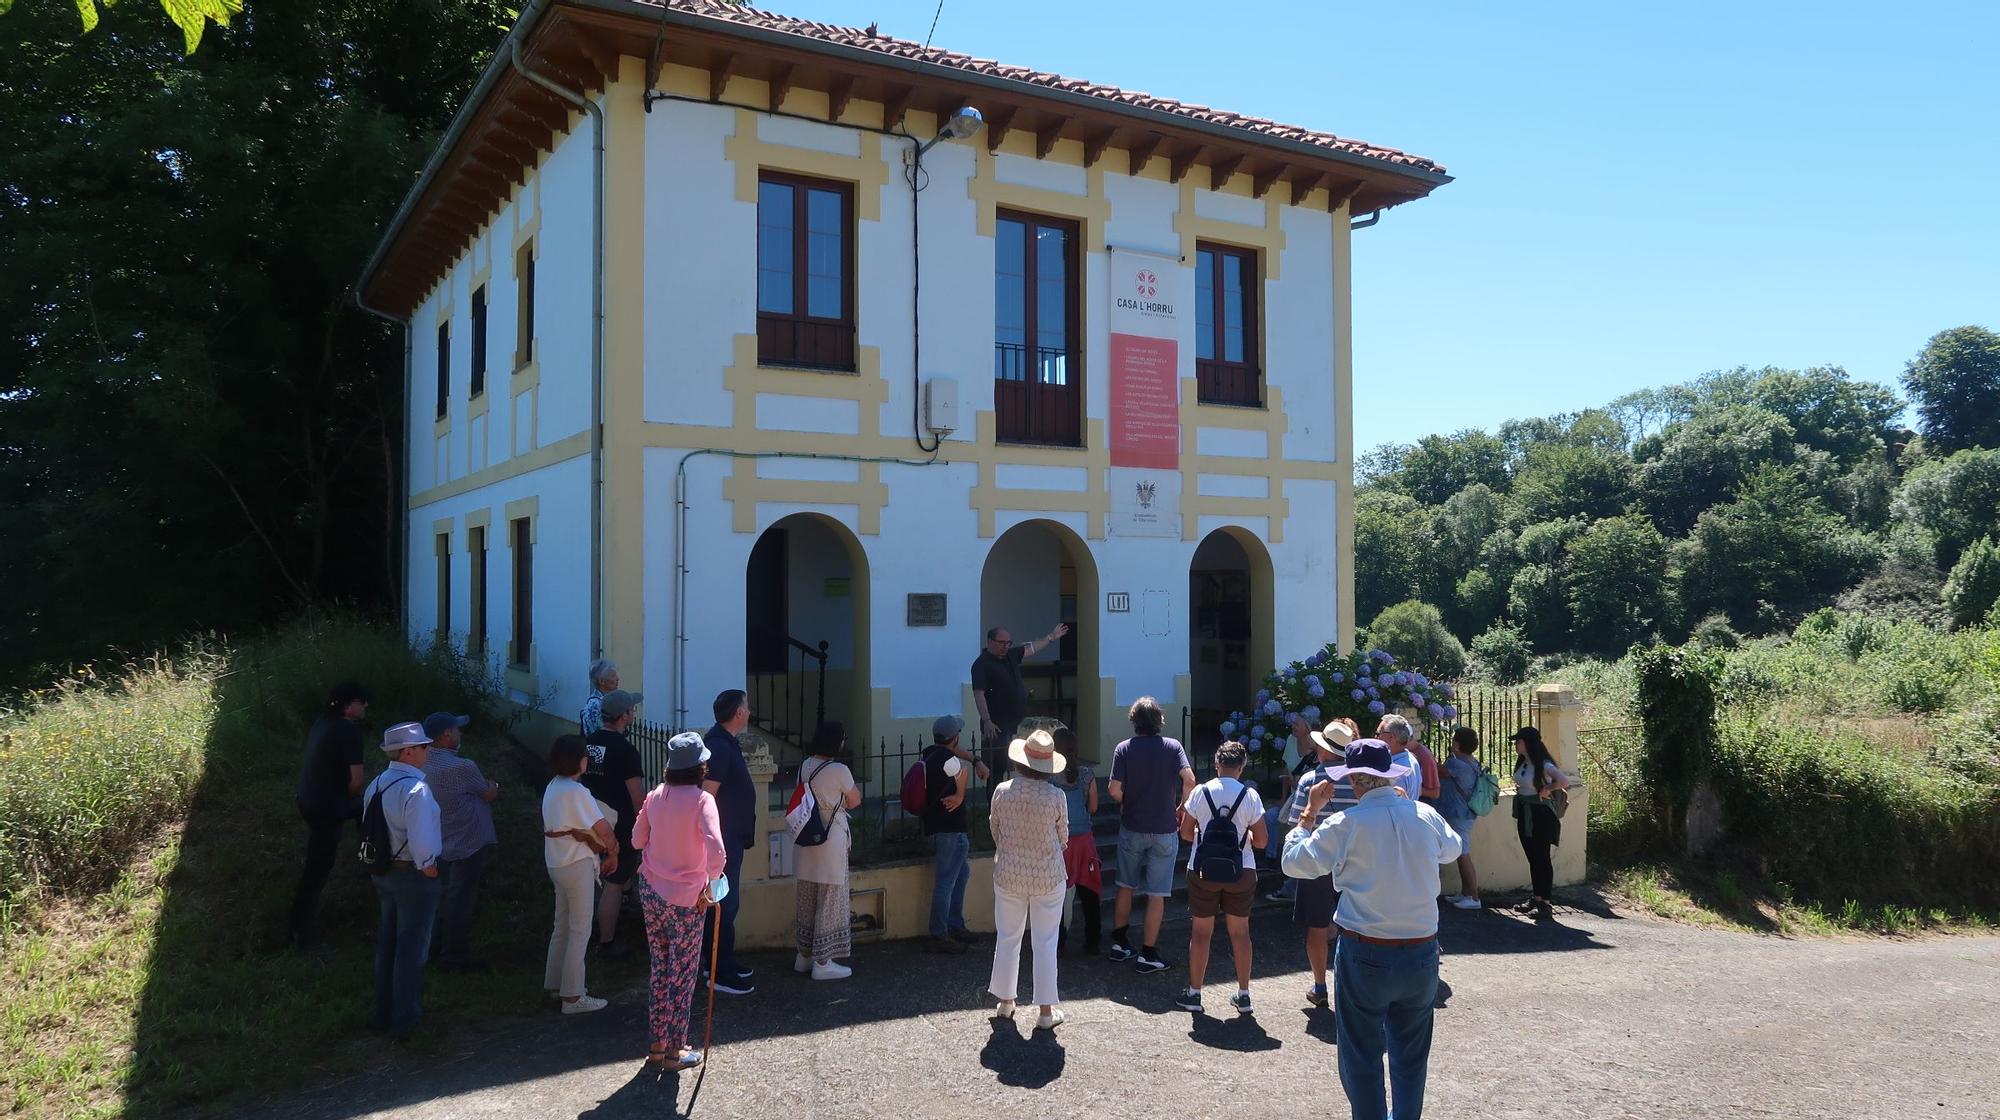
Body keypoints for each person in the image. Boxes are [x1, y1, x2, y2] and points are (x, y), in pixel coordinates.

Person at [1283, 737, 1463, 1120]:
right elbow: (1452, 848)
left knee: (1361, 1054)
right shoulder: (1423, 815)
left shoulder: (1344, 823)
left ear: (1355, 780)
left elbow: (1295, 863)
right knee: (1411, 1056)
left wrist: (1306, 817)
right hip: (1420, 949)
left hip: (1366, 950)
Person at [632, 732, 727, 1072]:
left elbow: (637, 838)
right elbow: (717, 852)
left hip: (652, 889)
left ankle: (657, 1046)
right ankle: (675, 1051)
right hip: (688, 898)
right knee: (683, 973)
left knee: (660, 967)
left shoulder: (655, 796)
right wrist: (712, 886)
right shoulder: (703, 801)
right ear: (699, 766)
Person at [986, 729, 1071, 1030]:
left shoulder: (1002, 790)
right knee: (1045, 942)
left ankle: (1005, 1002)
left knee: (1008, 936)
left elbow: (995, 830)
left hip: (1009, 872)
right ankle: (1046, 1012)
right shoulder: (1056, 796)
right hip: (1047, 875)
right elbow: (1063, 838)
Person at [1174, 741, 1267, 1015]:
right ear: (1241, 767)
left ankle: (1194, 993)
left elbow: (1186, 833)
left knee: (1201, 932)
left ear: (1216, 765)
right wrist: (1245, 836)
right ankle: (1244, 994)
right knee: (1240, 932)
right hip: (1242, 870)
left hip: (1203, 870)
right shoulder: (1250, 796)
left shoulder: (1201, 793)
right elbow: (1261, 842)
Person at [364, 722, 444, 1038]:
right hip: (412, 874)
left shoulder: (378, 783)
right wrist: (429, 868)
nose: (428, 751)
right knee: (412, 949)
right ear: (409, 752)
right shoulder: (416, 790)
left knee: (388, 945)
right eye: (424, 746)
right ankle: (406, 1020)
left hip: (383, 871)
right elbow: (422, 840)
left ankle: (381, 1013)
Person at [1107, 696, 1195, 973]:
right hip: (1164, 827)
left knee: (1125, 885)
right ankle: (1148, 952)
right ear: (1159, 721)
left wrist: (1126, 801)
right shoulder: (1172, 747)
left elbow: (1113, 789)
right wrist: (1182, 806)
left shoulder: (1124, 749)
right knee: (1157, 893)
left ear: (1134, 722)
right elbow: (1190, 779)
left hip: (1132, 824)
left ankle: (1120, 943)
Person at [1281, 715, 1359, 1008]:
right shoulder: (1357, 780)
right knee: (1353, 924)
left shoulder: (1310, 780)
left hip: (1317, 861)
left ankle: (1319, 984)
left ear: (1323, 749)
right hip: (1351, 860)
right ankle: (1349, 983)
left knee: (1315, 926)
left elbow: (1298, 824)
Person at [540, 735, 616, 1014]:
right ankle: (572, 997)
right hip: (576, 862)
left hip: (557, 861)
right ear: (579, 761)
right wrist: (614, 851)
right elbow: (603, 828)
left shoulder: (554, 786)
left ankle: (556, 984)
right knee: (580, 929)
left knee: (562, 925)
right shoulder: (576, 791)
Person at [289, 681, 369, 947]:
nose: (366, 705)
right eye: (362, 701)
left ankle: (368, 858)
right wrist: (347, 799)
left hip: (306, 799)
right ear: (348, 706)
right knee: (318, 867)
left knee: (364, 809)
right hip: (326, 807)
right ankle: (300, 932)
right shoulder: (349, 732)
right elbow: (357, 782)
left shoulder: (322, 722)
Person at [421, 711, 499, 971]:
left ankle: (432, 946)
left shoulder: (422, 762)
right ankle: (453, 956)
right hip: (468, 840)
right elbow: (487, 793)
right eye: (457, 730)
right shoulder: (462, 766)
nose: (460, 734)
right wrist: (494, 784)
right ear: (446, 735)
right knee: (460, 899)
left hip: (438, 839)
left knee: (438, 896)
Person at [792, 721, 861, 980]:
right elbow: (854, 800)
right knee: (831, 897)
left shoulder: (805, 765)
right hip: (830, 838)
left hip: (807, 834)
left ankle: (804, 956)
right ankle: (823, 962)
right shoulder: (839, 770)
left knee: (808, 896)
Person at [700, 689, 757, 995]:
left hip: (730, 837)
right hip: (723, 841)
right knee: (723, 903)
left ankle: (723, 962)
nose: (749, 711)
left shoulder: (724, 743)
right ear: (738, 712)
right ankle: (718, 972)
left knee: (727, 903)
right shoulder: (719, 747)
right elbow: (707, 795)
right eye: (746, 707)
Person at [582, 689, 647, 959]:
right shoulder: (626, 750)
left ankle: (592, 930)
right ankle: (606, 942)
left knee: (601, 879)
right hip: (619, 825)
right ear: (624, 716)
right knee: (614, 882)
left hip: (592, 818)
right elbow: (636, 795)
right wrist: (647, 825)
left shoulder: (592, 743)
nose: (634, 713)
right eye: (632, 710)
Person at [970, 621, 1070, 758]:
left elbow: (1031, 648)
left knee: (1021, 760)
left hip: (1018, 722)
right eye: (1002, 642)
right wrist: (987, 721)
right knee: (998, 763)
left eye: (1008, 643)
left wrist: (1051, 637)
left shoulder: (1011, 655)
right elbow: (979, 694)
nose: (1006, 646)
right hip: (997, 725)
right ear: (990, 641)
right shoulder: (981, 664)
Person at [921, 715, 974, 954]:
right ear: (954, 737)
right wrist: (960, 795)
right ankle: (940, 933)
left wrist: (976, 760)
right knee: (946, 882)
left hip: (937, 826)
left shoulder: (929, 755)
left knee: (960, 875)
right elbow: (962, 773)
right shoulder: (949, 760)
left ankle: (954, 924)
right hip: (951, 829)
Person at [1510, 725, 1571, 920]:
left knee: (1541, 858)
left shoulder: (1543, 764)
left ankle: (1545, 902)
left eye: (1518, 741)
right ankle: (1536, 898)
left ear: (1527, 743)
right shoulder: (1524, 762)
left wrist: (1548, 788)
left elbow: (1563, 781)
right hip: (1526, 812)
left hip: (1540, 814)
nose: (1516, 745)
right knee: (1532, 857)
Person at [1054, 727, 1101, 956]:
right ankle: (1093, 940)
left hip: (1059, 843)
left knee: (1057, 894)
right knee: (1089, 891)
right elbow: (1093, 807)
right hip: (1084, 841)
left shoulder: (1049, 777)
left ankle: (1057, 942)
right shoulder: (1087, 775)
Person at [1437, 727, 1483, 910]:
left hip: (1459, 813)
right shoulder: (1471, 762)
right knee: (1460, 853)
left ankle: (1473, 897)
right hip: (1465, 812)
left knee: (1463, 854)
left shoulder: (1456, 764)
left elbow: (1438, 771)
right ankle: (1465, 893)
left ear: (1458, 744)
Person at [1376, 713, 1430, 803]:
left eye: (1379, 734)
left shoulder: (1395, 769)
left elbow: (1393, 805)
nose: (1376, 738)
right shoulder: (1411, 759)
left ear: (1391, 737)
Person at [579, 659, 619, 737]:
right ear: (602, 681)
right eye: (613, 676)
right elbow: (600, 735)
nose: (617, 678)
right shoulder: (596, 704)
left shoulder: (605, 700)